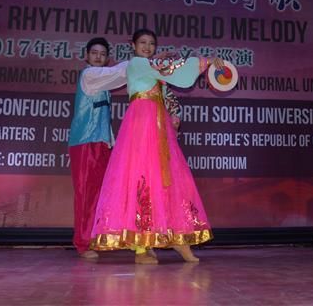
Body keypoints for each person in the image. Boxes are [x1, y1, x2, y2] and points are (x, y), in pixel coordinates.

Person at [90, 29, 221, 264]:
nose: (147, 47)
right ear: (133, 45)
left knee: (168, 179)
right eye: (142, 42)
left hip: (159, 126)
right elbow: (170, 68)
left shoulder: (152, 70)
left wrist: (174, 116)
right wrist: (204, 61)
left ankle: (179, 240)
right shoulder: (137, 64)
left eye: (151, 43)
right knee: (142, 178)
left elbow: (167, 90)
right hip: (141, 125)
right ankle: (142, 248)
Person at [67, 37, 128, 258]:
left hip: (101, 144)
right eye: (94, 53)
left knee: (98, 195)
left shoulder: (102, 83)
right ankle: (83, 243)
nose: (98, 57)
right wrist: (141, 62)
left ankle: (93, 238)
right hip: (85, 143)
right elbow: (118, 74)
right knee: (85, 194)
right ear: (86, 56)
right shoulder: (90, 75)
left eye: (102, 54)